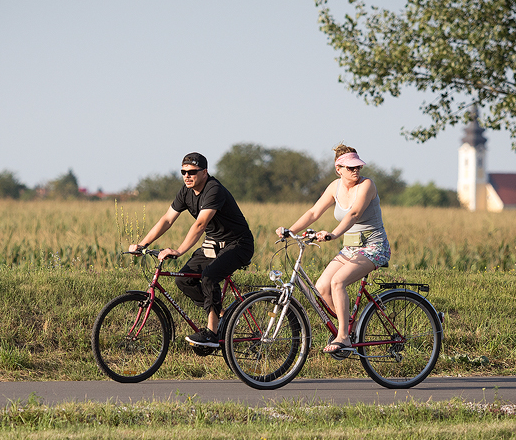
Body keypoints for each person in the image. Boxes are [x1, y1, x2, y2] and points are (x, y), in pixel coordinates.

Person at [129, 152, 254, 348]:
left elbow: (200, 224)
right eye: (183, 172)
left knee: (209, 276)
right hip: (213, 244)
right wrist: (143, 244)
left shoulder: (214, 189)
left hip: (238, 244)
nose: (187, 176)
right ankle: (222, 316)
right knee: (183, 279)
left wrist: (179, 251)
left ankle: (212, 334)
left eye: (192, 172)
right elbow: (167, 219)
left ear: (205, 172)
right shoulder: (186, 191)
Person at [276, 144, 390, 356]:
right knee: (322, 286)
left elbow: (354, 213)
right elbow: (313, 212)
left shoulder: (367, 185)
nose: (356, 171)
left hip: (374, 247)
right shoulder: (334, 187)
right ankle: (351, 328)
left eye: (358, 167)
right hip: (351, 249)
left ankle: (343, 337)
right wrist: (290, 230)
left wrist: (334, 234)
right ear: (338, 169)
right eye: (350, 168)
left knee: (338, 282)